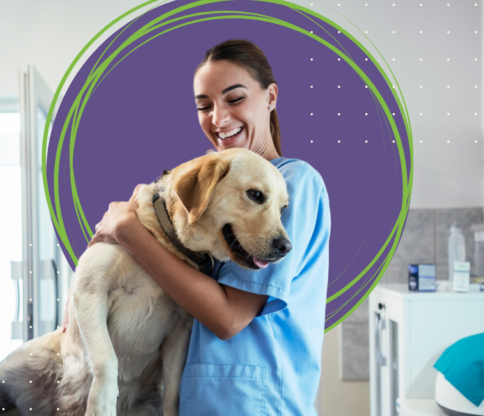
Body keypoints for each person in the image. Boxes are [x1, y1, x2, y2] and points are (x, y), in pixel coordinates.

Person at [84, 39, 331, 415]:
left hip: (254, 403)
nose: (218, 118)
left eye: (234, 99)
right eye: (204, 106)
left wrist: (130, 232)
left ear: (270, 97)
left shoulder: (296, 183)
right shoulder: (211, 188)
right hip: (195, 401)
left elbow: (228, 318)